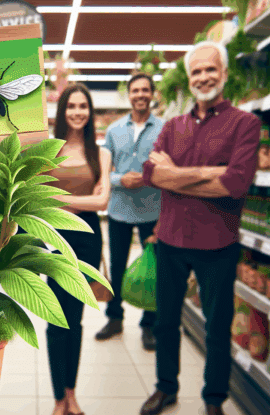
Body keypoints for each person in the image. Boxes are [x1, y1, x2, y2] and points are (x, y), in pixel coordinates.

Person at [138, 41, 261, 415]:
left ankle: (214, 400)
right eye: (196, 72)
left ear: (223, 75)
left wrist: (177, 175)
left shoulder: (245, 124)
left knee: (217, 326)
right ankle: (165, 388)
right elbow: (150, 175)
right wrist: (209, 173)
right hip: (171, 240)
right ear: (189, 80)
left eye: (211, 70)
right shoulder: (172, 126)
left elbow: (235, 183)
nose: (203, 77)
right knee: (166, 321)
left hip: (218, 245)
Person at [43, 83, 111, 415]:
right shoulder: (48, 152)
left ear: (90, 110)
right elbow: (40, 198)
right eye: (72, 106)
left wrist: (63, 202)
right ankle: (58, 399)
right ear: (63, 111)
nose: (78, 112)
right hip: (56, 242)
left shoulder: (101, 154)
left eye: (84, 106)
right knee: (58, 320)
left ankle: (71, 393)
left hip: (87, 242)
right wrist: (81, 200)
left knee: (78, 319)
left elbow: (103, 204)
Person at [95, 73, 163, 350]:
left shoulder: (165, 129)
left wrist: (151, 178)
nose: (140, 95)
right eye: (135, 90)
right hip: (119, 210)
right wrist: (119, 179)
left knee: (153, 270)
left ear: (152, 93)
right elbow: (103, 173)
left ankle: (149, 324)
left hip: (153, 211)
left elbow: (170, 170)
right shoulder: (113, 130)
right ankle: (114, 318)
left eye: (145, 90)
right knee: (118, 266)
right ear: (129, 94)